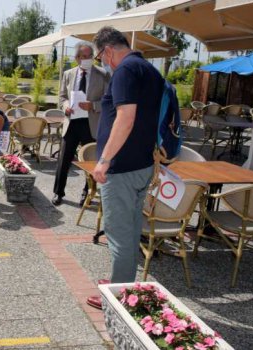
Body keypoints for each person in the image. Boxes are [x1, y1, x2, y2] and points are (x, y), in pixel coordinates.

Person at [85, 27, 164, 309]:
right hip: (142, 163)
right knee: (129, 230)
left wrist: (104, 161)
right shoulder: (149, 70)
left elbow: (125, 118)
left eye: (100, 57)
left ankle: (119, 299)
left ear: (107, 50)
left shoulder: (125, 71)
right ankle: (124, 284)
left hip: (121, 168)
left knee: (118, 233)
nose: (103, 62)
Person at [52, 42, 109, 206]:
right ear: (77, 58)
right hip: (71, 122)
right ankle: (58, 193)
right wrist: (65, 107)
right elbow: (62, 97)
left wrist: (93, 105)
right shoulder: (68, 74)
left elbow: (108, 100)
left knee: (90, 161)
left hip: (91, 123)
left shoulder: (103, 74)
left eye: (89, 56)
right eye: (83, 57)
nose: (87, 59)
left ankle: (87, 193)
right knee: (64, 160)